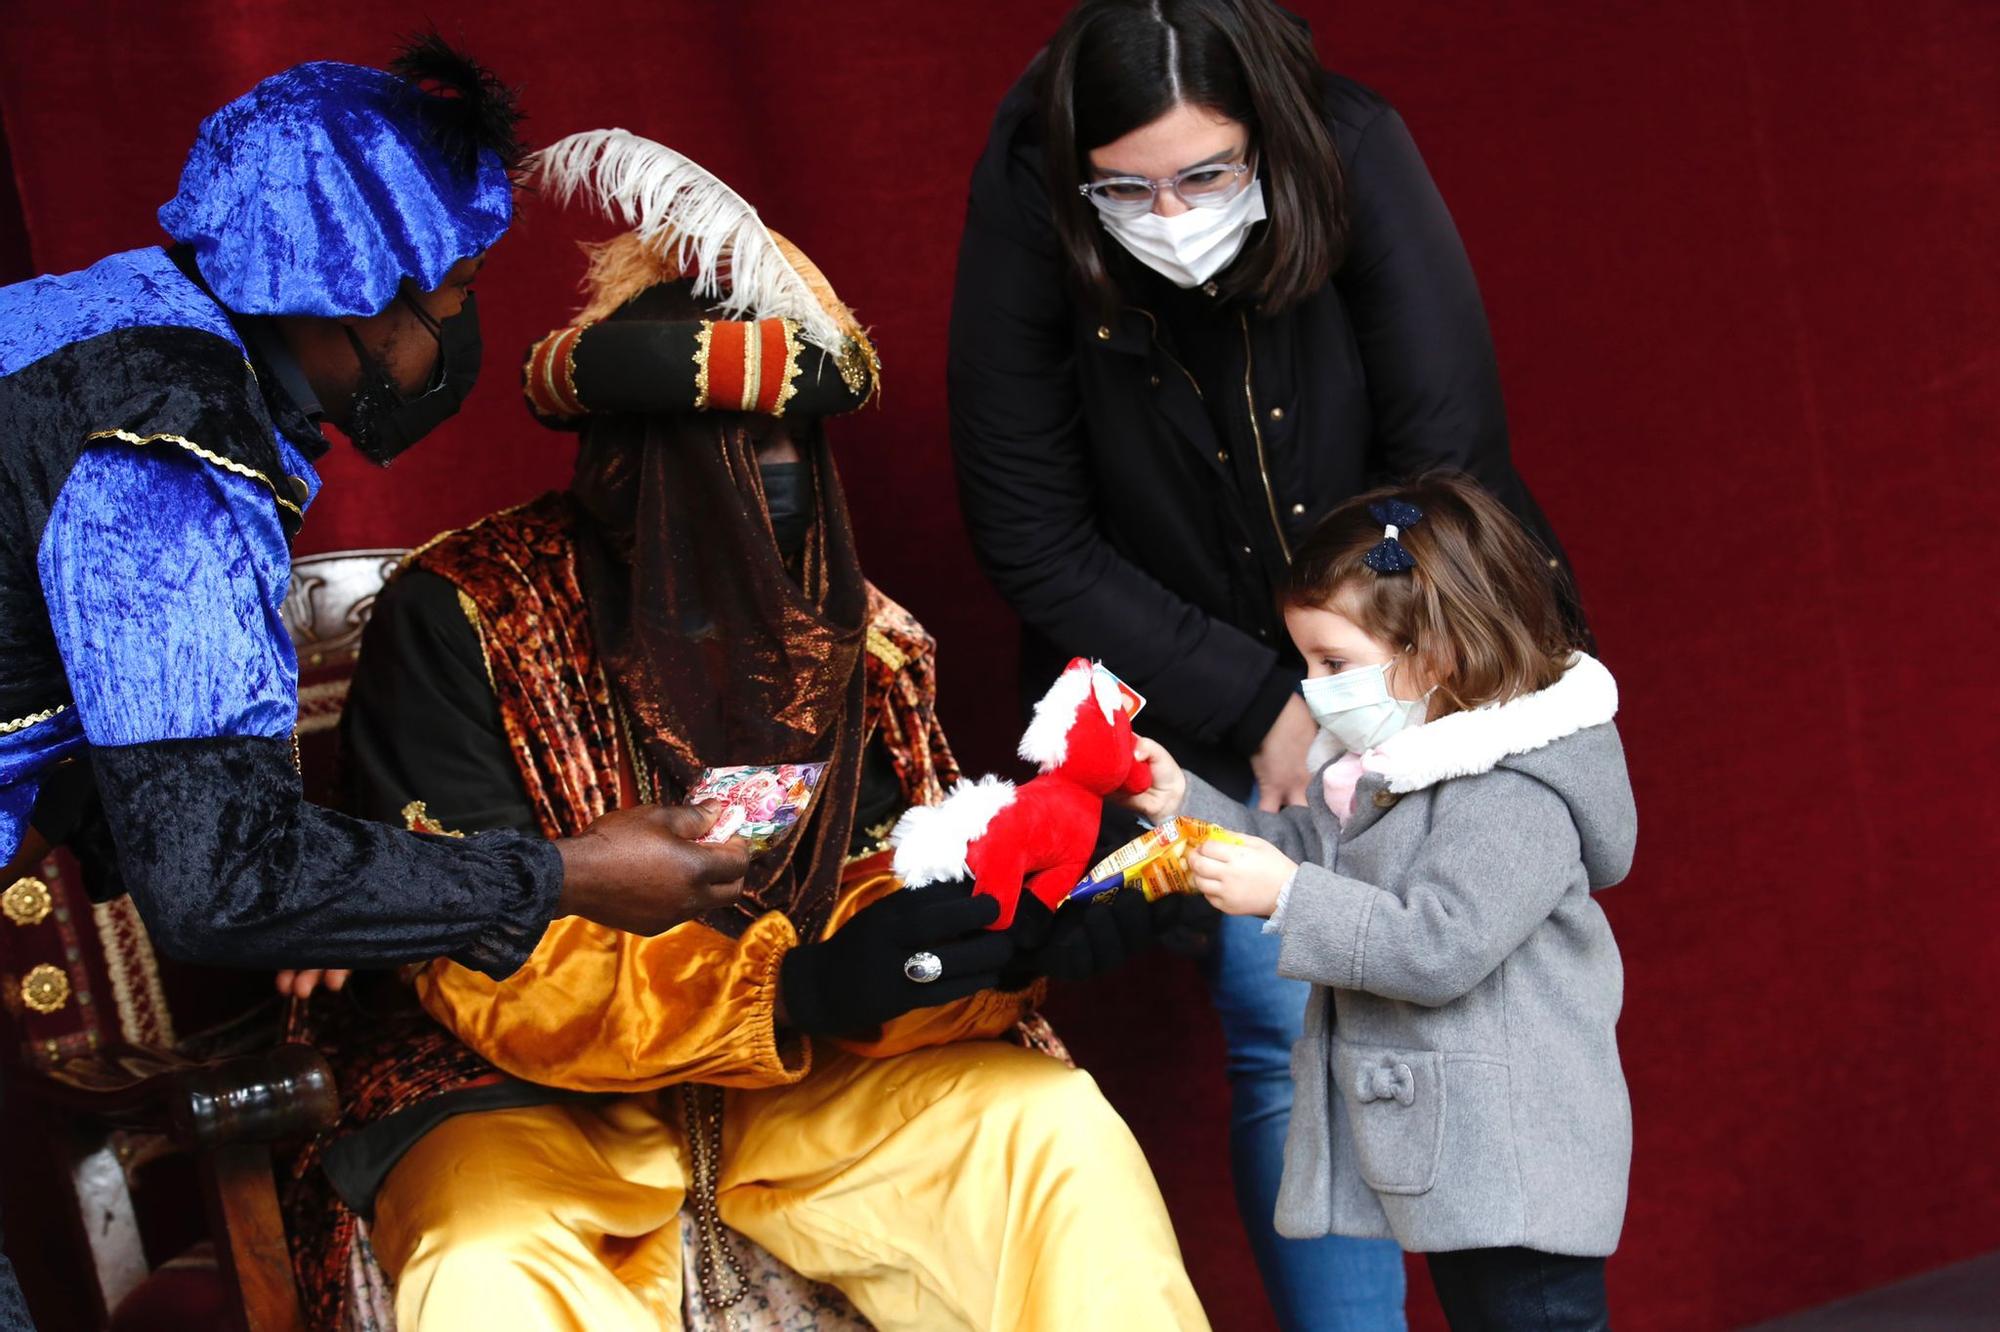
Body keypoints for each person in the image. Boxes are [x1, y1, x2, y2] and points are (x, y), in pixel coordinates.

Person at [277, 131, 1208, 1332]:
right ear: (621, 459)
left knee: (1051, 1134)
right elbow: (478, 954)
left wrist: (1006, 937)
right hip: (515, 1095)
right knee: (483, 1252)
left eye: (788, 445)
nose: (768, 475)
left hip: (815, 1088)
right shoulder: (461, 615)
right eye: (727, 448)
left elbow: (897, 891)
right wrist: (791, 988)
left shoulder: (866, 637)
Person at [0, 45, 747, 1329]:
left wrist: (343, 891)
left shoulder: (71, 318)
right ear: (345, 290)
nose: (451, 335)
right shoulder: (165, 442)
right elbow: (223, 883)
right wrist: (569, 874)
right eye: (448, 295)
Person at [947, 2, 1587, 1323]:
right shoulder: (1029, 198)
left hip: (1424, 652)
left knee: (1484, 1013)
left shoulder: (1352, 147)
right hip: (1182, 687)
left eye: (1204, 174)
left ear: (1268, 144)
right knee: (1283, 1025)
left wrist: (1350, 694)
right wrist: (1257, 704)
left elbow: (1448, 469)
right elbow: (1030, 530)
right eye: (1127, 186)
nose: (1167, 210)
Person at [1124, 473, 1636, 1330]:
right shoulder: (1392, 767)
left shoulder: (1516, 790)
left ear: (1435, 656)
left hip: (1518, 1159)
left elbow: (1439, 945)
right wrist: (1185, 805)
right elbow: (1304, 853)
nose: (1314, 688)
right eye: (1306, 662)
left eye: (1334, 663)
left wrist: (1288, 899)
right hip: (1457, 1157)